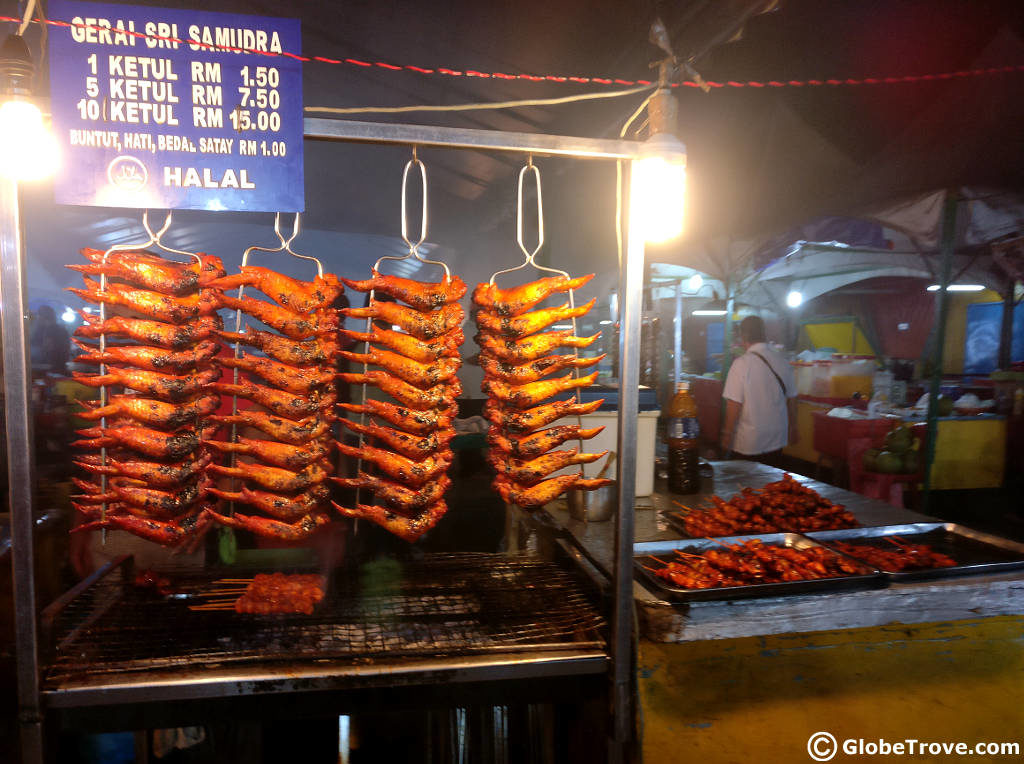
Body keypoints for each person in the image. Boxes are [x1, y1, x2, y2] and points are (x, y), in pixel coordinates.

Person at [721, 315, 797, 465]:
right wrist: (794, 427)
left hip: (750, 441)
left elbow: (734, 404)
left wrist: (727, 434)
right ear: (763, 334)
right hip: (777, 437)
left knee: (746, 484)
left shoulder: (741, 364)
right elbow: (792, 399)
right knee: (771, 483)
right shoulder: (782, 361)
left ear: (743, 336)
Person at [30, 304, 70, 375]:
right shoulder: (40, 330)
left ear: (43, 317)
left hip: (52, 369)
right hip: (54, 368)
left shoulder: (55, 330)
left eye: (38, 315)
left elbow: (46, 348)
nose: (37, 318)